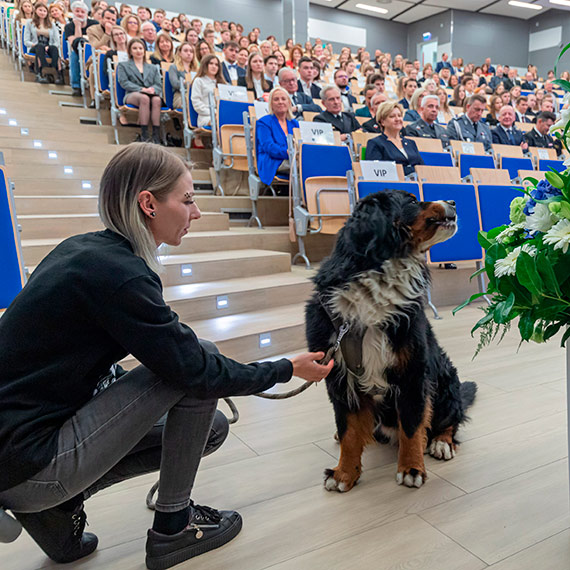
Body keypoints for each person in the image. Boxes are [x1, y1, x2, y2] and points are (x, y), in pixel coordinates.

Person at [0, 142, 332, 570]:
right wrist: (285, 368)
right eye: (188, 199)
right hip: (30, 462)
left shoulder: (85, 251)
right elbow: (193, 367)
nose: (195, 212)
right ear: (148, 203)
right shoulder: (120, 276)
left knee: (209, 427)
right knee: (193, 366)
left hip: (16, 454)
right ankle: (173, 529)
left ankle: (53, 513)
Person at [117, 38, 163, 144]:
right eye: (135, 48)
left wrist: (152, 89)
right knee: (144, 98)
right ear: (130, 51)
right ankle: (144, 134)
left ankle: (156, 135)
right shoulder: (123, 65)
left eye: (141, 48)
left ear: (144, 50)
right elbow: (124, 82)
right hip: (132, 94)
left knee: (157, 100)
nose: (138, 51)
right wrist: (142, 89)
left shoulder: (152, 67)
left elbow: (158, 84)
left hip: (150, 94)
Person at [255, 87, 299, 185]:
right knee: (304, 166)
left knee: (309, 165)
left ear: (289, 103)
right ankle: (300, 199)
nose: (280, 102)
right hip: (273, 161)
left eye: (283, 99)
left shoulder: (294, 123)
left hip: (292, 158)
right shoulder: (263, 122)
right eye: (276, 99)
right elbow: (269, 147)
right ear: (271, 104)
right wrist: (288, 153)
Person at [366, 101, 423, 176]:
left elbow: (422, 168)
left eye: (399, 116)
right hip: (393, 185)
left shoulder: (411, 143)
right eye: (392, 116)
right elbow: (375, 173)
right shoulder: (375, 143)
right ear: (382, 122)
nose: (397, 119)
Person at [24, 2, 63, 85]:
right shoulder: (29, 23)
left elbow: (57, 42)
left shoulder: (52, 25)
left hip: (48, 46)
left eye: (44, 11)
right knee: (40, 47)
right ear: (35, 11)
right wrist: (35, 45)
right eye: (40, 10)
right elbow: (26, 41)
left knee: (54, 49)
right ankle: (40, 74)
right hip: (35, 46)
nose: (42, 12)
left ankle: (59, 75)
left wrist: (49, 47)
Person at [65, 0, 98, 96]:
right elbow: (74, 44)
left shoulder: (94, 24)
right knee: (75, 55)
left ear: (87, 14)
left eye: (82, 12)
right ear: (73, 13)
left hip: (94, 50)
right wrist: (78, 26)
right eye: (77, 11)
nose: (80, 14)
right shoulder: (69, 26)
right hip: (78, 51)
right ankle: (76, 86)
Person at [191, 54, 225, 128]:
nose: (214, 66)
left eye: (216, 65)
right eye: (211, 63)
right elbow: (196, 102)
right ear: (205, 65)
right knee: (221, 122)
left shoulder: (222, 84)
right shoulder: (199, 81)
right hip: (206, 116)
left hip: (221, 115)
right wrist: (214, 113)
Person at [168, 43, 197, 109]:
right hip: (180, 95)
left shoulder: (196, 70)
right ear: (180, 53)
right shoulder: (173, 67)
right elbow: (175, 84)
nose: (189, 53)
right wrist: (186, 82)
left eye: (191, 51)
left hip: (195, 95)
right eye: (185, 51)